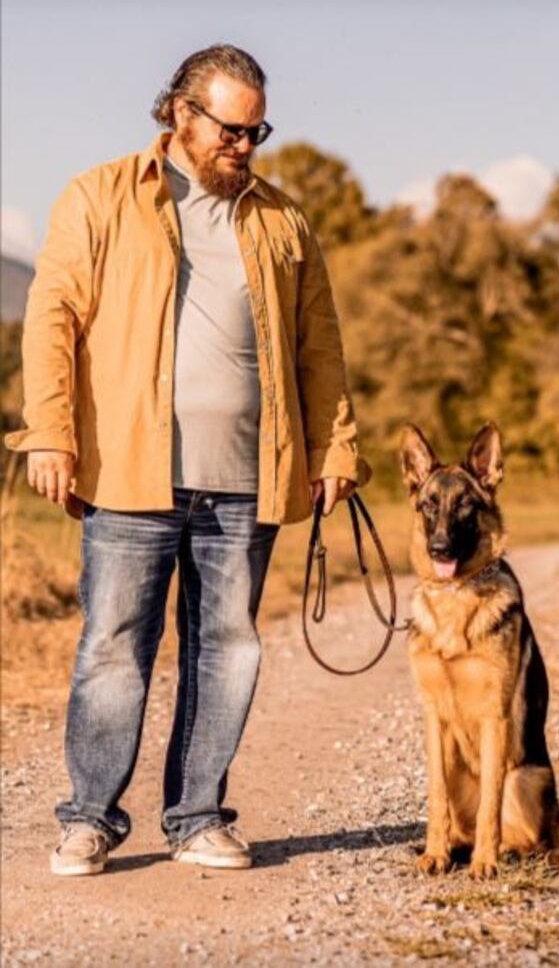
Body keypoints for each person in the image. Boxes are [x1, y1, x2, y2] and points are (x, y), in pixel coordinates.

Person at [4, 44, 371, 877]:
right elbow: (50, 316)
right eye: (231, 130)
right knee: (113, 643)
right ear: (181, 112)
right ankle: (90, 817)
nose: (244, 147)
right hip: (131, 472)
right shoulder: (100, 196)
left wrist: (335, 443)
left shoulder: (283, 220)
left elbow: (321, 347)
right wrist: (51, 431)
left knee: (229, 644)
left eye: (257, 131)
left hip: (247, 476)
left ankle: (199, 814)